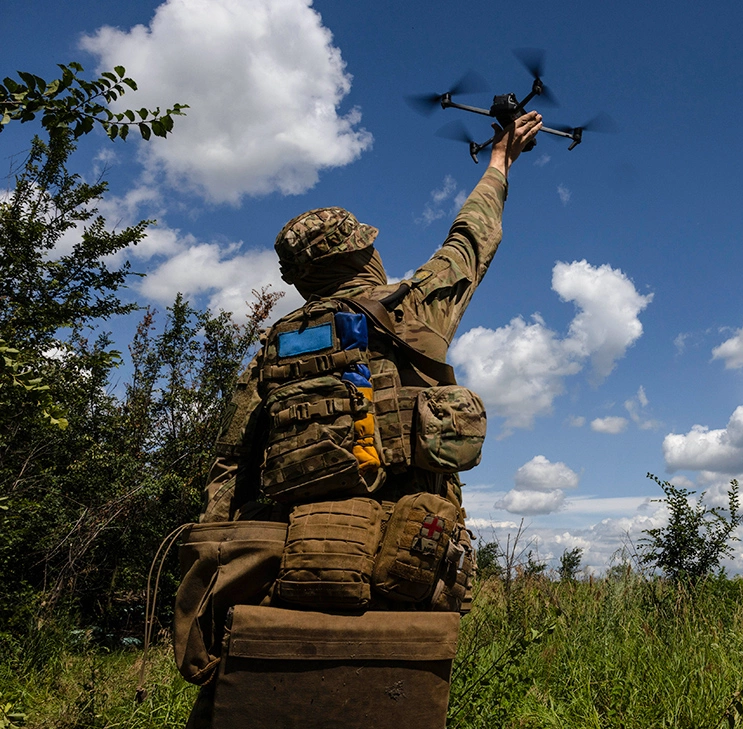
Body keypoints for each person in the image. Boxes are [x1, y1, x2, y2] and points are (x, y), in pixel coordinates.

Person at [180, 111, 543, 729]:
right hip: (409, 564)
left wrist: (223, 577)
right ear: (363, 253)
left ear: (301, 279)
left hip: (298, 566)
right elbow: (472, 240)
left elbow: (228, 472)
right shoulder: (412, 311)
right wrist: (501, 162)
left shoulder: (273, 350)